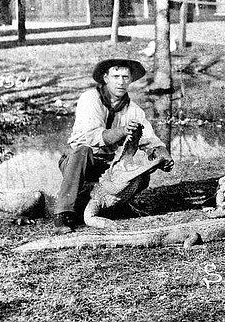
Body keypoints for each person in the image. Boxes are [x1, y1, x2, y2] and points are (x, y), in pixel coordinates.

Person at [54, 58, 174, 234]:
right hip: (79, 162)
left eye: (125, 77)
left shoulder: (134, 110)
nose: (121, 82)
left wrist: (163, 155)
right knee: (83, 151)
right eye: (115, 76)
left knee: (142, 175)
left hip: (105, 165)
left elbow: (150, 139)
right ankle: (63, 214)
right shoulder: (90, 99)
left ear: (131, 80)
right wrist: (123, 130)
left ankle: (118, 206)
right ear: (105, 78)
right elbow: (93, 137)